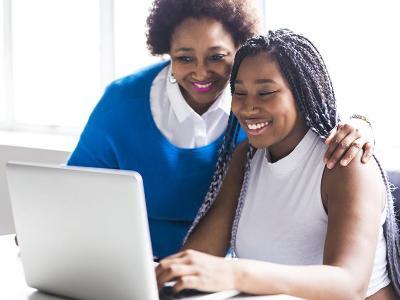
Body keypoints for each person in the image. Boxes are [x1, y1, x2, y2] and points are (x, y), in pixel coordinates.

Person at [67, 0, 375, 259]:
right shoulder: (122, 102)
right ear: (167, 53)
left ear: (239, 49)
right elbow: (74, 191)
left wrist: (363, 124)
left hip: (224, 272)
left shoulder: (254, 110)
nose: (201, 72)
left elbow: (316, 105)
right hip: (132, 262)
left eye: (217, 57)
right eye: (184, 58)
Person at [155, 30, 400, 299]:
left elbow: (348, 285)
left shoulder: (345, 163)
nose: (248, 108)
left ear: (304, 93)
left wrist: (234, 272)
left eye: (266, 92)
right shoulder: (246, 157)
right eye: (239, 93)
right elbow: (201, 257)